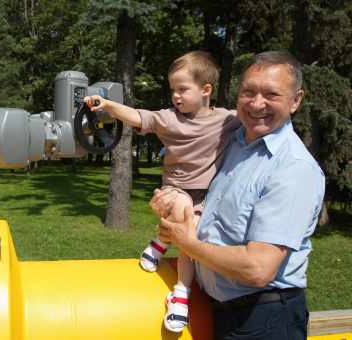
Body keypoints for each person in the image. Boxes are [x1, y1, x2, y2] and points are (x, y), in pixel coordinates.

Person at [154, 51, 325, 339]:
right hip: (220, 311)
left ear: (295, 101)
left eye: (271, 94)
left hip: (263, 320)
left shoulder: (292, 167)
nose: (257, 104)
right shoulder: (234, 143)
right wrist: (176, 212)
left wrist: (188, 243)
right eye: (249, 92)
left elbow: (258, 268)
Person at [84, 50, 240, 333]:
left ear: (206, 90)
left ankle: (159, 242)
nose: (176, 96)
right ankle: (180, 294)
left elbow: (256, 118)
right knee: (186, 222)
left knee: (193, 233)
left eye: (182, 89)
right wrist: (107, 104)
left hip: (206, 196)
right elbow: (136, 116)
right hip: (174, 190)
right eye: (173, 90)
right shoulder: (168, 119)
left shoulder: (227, 120)